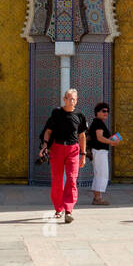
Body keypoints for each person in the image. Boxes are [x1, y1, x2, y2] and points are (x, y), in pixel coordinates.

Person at [41, 88, 87, 224]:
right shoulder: (57, 113)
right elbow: (48, 132)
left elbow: (82, 136)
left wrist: (83, 154)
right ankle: (58, 208)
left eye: (73, 99)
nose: (70, 101)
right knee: (57, 180)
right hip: (57, 149)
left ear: (76, 100)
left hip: (73, 150)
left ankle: (68, 210)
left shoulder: (80, 115)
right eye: (68, 98)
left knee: (72, 179)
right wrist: (44, 146)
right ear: (64, 99)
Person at [88, 100, 119, 206]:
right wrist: (111, 142)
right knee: (102, 174)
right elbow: (99, 138)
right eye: (104, 111)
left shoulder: (98, 122)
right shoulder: (98, 122)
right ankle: (97, 198)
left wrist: (111, 140)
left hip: (99, 151)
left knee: (100, 174)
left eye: (107, 111)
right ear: (97, 112)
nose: (106, 113)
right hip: (99, 151)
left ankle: (97, 197)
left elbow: (101, 137)